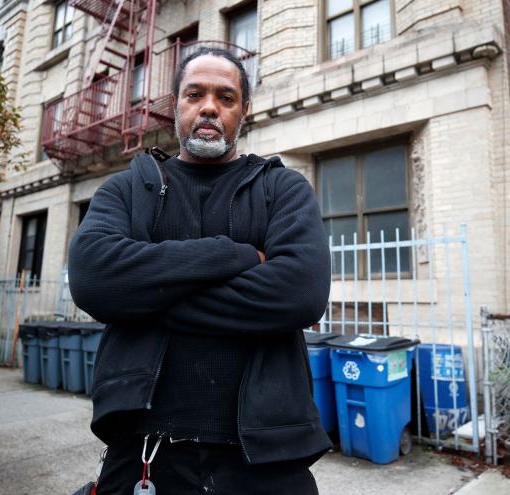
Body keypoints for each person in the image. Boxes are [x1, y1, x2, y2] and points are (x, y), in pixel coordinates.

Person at [69, 47, 332, 495]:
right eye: (195, 94)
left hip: (267, 458)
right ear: (177, 105)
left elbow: (300, 293)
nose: (210, 106)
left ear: (243, 110)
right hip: (143, 454)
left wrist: (146, 297)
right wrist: (240, 256)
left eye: (226, 97)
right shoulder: (127, 190)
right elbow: (93, 278)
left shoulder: (281, 188)